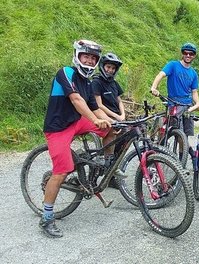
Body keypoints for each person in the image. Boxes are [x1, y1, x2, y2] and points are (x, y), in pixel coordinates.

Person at [40, 39, 113, 238]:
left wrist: (110, 121)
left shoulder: (87, 82)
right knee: (61, 172)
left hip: (77, 122)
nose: (89, 61)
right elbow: (76, 100)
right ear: (78, 56)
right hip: (58, 128)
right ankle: (46, 218)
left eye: (93, 58)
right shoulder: (66, 72)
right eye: (86, 57)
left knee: (113, 131)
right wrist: (95, 120)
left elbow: (95, 108)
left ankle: (106, 165)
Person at [150, 42, 199, 159]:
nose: (188, 55)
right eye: (185, 53)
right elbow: (161, 75)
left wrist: (197, 103)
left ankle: (182, 160)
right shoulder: (173, 65)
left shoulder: (193, 73)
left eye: (191, 53)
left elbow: (194, 92)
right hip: (174, 103)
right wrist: (154, 87)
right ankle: (157, 155)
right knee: (170, 130)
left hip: (187, 105)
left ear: (194, 56)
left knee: (185, 136)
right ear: (182, 54)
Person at [92, 52, 125, 188]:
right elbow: (99, 105)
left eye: (113, 68)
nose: (110, 70)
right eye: (108, 67)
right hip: (104, 116)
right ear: (103, 67)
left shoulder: (114, 83)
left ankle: (111, 171)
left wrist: (122, 115)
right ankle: (106, 164)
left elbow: (119, 100)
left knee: (125, 138)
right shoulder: (96, 82)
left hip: (117, 116)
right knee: (111, 132)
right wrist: (116, 118)